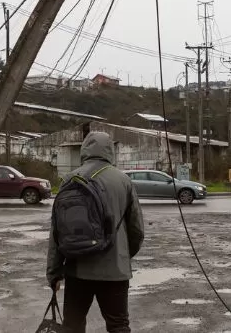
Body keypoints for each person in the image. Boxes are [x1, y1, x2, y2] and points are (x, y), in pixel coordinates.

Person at [47, 131, 144, 333]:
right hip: (114, 271)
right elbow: (136, 229)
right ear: (110, 150)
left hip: (77, 269)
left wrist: (54, 273)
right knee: (118, 326)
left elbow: (57, 232)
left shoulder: (69, 180)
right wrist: (123, 255)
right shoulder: (123, 180)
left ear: (84, 150)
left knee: (72, 326)